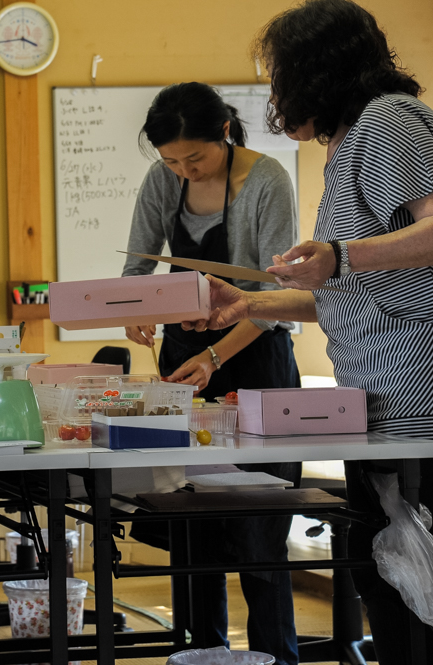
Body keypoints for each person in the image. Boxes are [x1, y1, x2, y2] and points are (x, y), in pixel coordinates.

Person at [187, 1, 433, 662]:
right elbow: (349, 296)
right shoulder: (355, 140)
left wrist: (341, 255)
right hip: (382, 391)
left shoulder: (389, 120)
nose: (274, 97)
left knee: (423, 568)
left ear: (316, 71)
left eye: (279, 77)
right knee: (383, 564)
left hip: (416, 391)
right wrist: (249, 305)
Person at [121, 82, 301, 665]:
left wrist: (216, 356)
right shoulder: (162, 180)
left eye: (194, 158)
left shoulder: (267, 180)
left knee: (259, 529)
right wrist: (136, 308)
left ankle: (276, 657)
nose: (183, 171)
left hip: (255, 359)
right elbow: (137, 266)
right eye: (172, 161)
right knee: (191, 522)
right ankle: (200, 654)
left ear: (225, 131)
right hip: (184, 360)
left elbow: (276, 298)